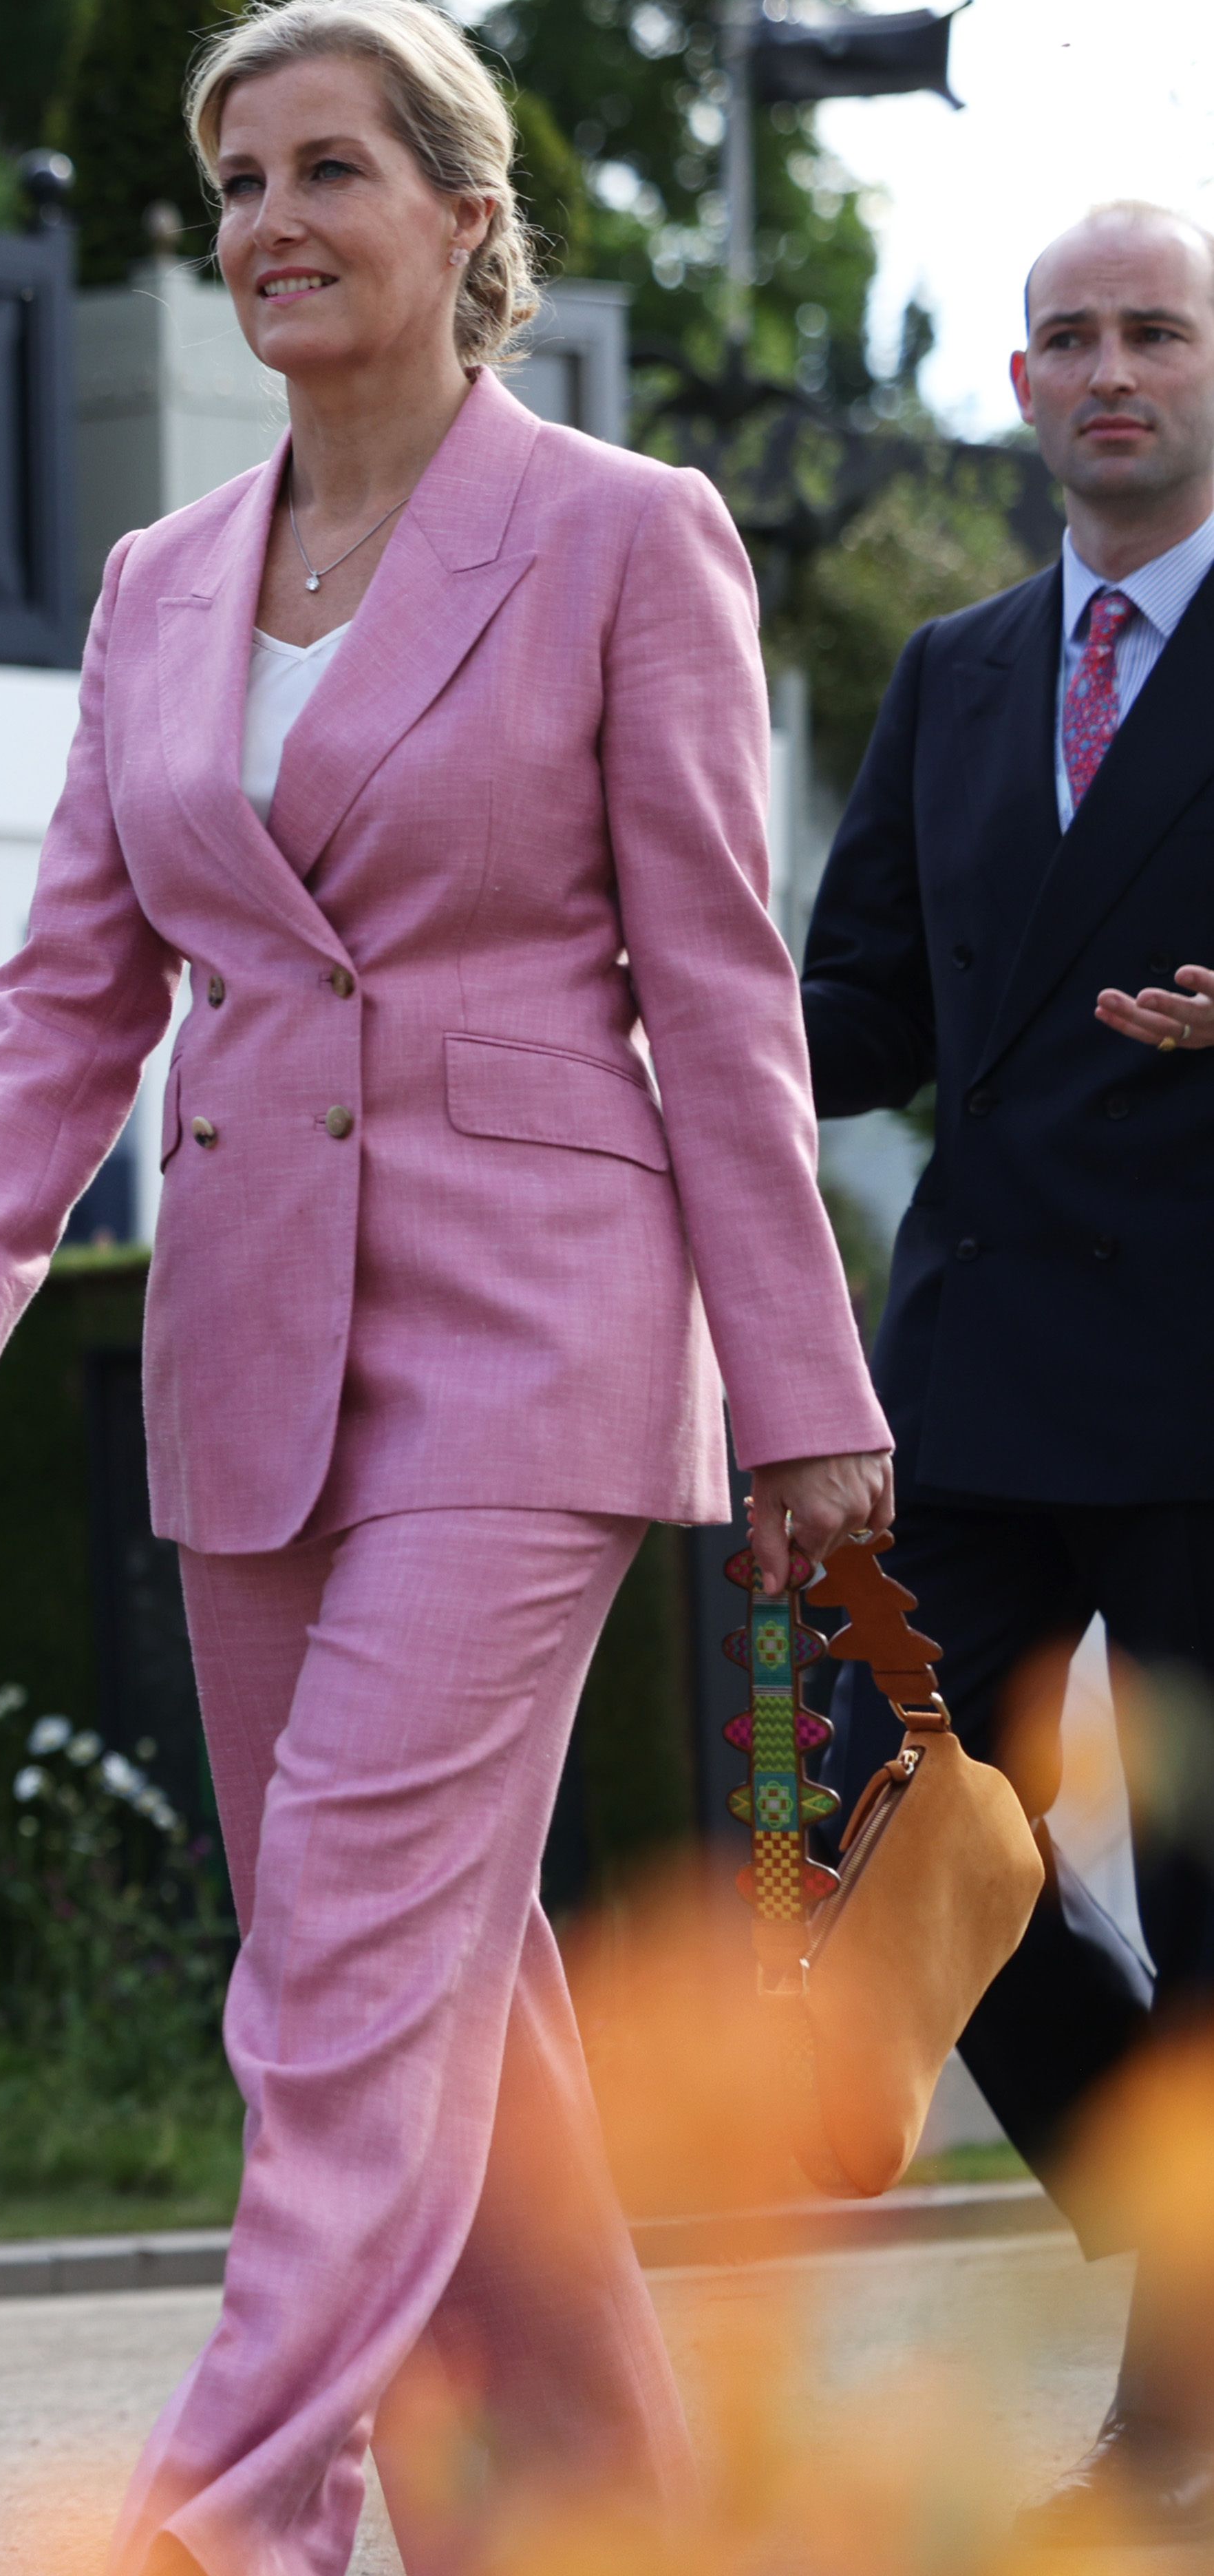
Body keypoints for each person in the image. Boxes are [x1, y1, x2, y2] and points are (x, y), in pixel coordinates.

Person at [0, 0, 891, 2576]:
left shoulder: (618, 526)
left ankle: (230, 2507)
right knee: (435, 1990)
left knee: (333, 1941)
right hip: (240, 1341)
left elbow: (716, 981)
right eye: (230, 180)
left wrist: (795, 1385)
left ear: (463, 213)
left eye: (326, 167)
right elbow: (67, 982)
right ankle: (593, 2513)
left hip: (530, 1321)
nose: (266, 223)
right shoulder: (151, 580)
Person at [798, 198, 1214, 2540]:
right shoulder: (956, 670)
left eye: (1146, 329)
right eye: (1061, 335)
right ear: (1021, 385)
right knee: (879, 1809)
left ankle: (1163, 2423)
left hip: (1197, 1380)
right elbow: (859, 996)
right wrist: (653, 1023)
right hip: (965, 1366)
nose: (1102, 368)